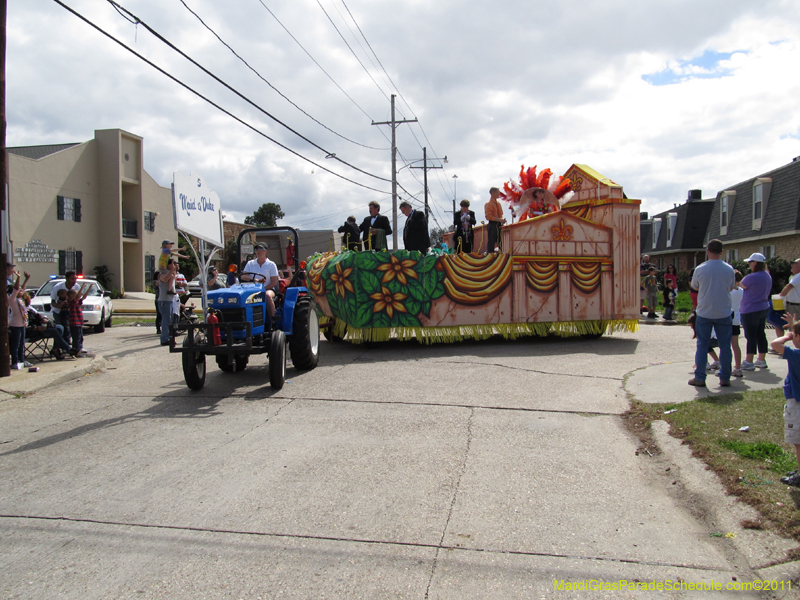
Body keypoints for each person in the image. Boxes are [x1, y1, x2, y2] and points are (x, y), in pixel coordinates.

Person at [688, 239, 735, 388]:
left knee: (702, 345)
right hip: (723, 310)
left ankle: (700, 377)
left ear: (708, 251)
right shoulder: (729, 269)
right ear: (722, 252)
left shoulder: (700, 269)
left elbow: (695, 286)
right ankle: (725, 377)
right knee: (725, 345)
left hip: (705, 311)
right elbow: (731, 287)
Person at [770, 314, 800, 487]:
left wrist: (788, 335)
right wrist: (793, 327)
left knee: (798, 442)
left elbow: (775, 344)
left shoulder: (796, 355)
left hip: (797, 404)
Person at [739, 252, 772, 371]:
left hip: (750, 309)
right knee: (760, 334)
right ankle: (761, 360)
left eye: (750, 262)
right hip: (763, 307)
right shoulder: (767, 275)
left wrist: (735, 276)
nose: (749, 264)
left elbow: (740, 285)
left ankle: (749, 361)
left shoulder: (752, 277)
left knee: (751, 336)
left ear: (756, 263)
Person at [26, 294, 71, 360]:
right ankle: (68, 349)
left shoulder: (29, 308)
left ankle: (55, 349)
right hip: (30, 332)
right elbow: (22, 326)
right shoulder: (18, 310)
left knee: (60, 327)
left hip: (39, 328)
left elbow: (39, 314)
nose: (29, 301)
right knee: (54, 331)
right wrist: (36, 328)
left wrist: (44, 319)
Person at [240, 243, 278, 318]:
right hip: (252, 289)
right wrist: (255, 280)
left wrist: (263, 289)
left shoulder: (271, 264)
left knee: (267, 295)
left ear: (266, 251)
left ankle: (272, 320)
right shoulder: (250, 263)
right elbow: (243, 276)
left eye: (261, 249)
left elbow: (274, 282)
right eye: (257, 249)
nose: (258, 251)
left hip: (267, 288)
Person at [8, 271, 32, 369]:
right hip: (15, 325)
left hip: (22, 324)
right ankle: (15, 362)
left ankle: (22, 361)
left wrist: (26, 279)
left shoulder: (20, 300)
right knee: (16, 344)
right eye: (19, 291)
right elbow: (16, 289)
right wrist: (18, 278)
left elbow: (22, 289)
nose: (21, 292)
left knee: (22, 344)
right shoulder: (12, 299)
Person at [50, 270, 80, 348]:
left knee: (73, 330)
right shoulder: (57, 287)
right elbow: (53, 302)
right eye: (72, 279)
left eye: (75, 279)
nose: (74, 281)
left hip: (72, 312)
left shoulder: (77, 287)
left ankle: (76, 346)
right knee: (61, 329)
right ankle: (60, 347)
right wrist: (60, 305)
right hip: (59, 312)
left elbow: (78, 300)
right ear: (67, 278)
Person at [66, 284, 91, 357]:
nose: (79, 295)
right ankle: (75, 351)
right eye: (76, 294)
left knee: (80, 337)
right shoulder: (71, 302)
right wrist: (82, 287)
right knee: (76, 338)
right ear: (72, 296)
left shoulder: (77, 302)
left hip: (79, 322)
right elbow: (77, 297)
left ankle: (80, 349)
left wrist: (89, 288)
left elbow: (83, 297)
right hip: (74, 323)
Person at [157, 259, 178, 346]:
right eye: (172, 264)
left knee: (169, 320)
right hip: (164, 301)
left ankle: (169, 338)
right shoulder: (162, 274)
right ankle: (164, 339)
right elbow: (165, 279)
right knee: (166, 320)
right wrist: (172, 270)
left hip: (170, 300)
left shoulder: (171, 274)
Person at [484, 187, 506, 253]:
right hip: (492, 224)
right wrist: (499, 219)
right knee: (492, 241)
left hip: (499, 224)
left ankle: (501, 254)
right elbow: (488, 216)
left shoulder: (498, 203)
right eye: (497, 192)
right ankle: (490, 255)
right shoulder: (489, 204)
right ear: (492, 193)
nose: (499, 194)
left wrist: (502, 219)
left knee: (500, 241)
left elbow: (500, 215)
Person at [731, 270, 744, 377]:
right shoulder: (741, 291)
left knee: (725, 345)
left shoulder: (728, 291)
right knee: (735, 345)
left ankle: (724, 367)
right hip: (736, 319)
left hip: (727, 317)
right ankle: (738, 367)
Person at [780, 258, 800, 322]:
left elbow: (788, 287)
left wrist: (780, 297)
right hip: (794, 305)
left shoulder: (798, 276)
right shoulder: (795, 276)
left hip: (795, 306)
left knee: (793, 325)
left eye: (794, 263)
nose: (792, 265)